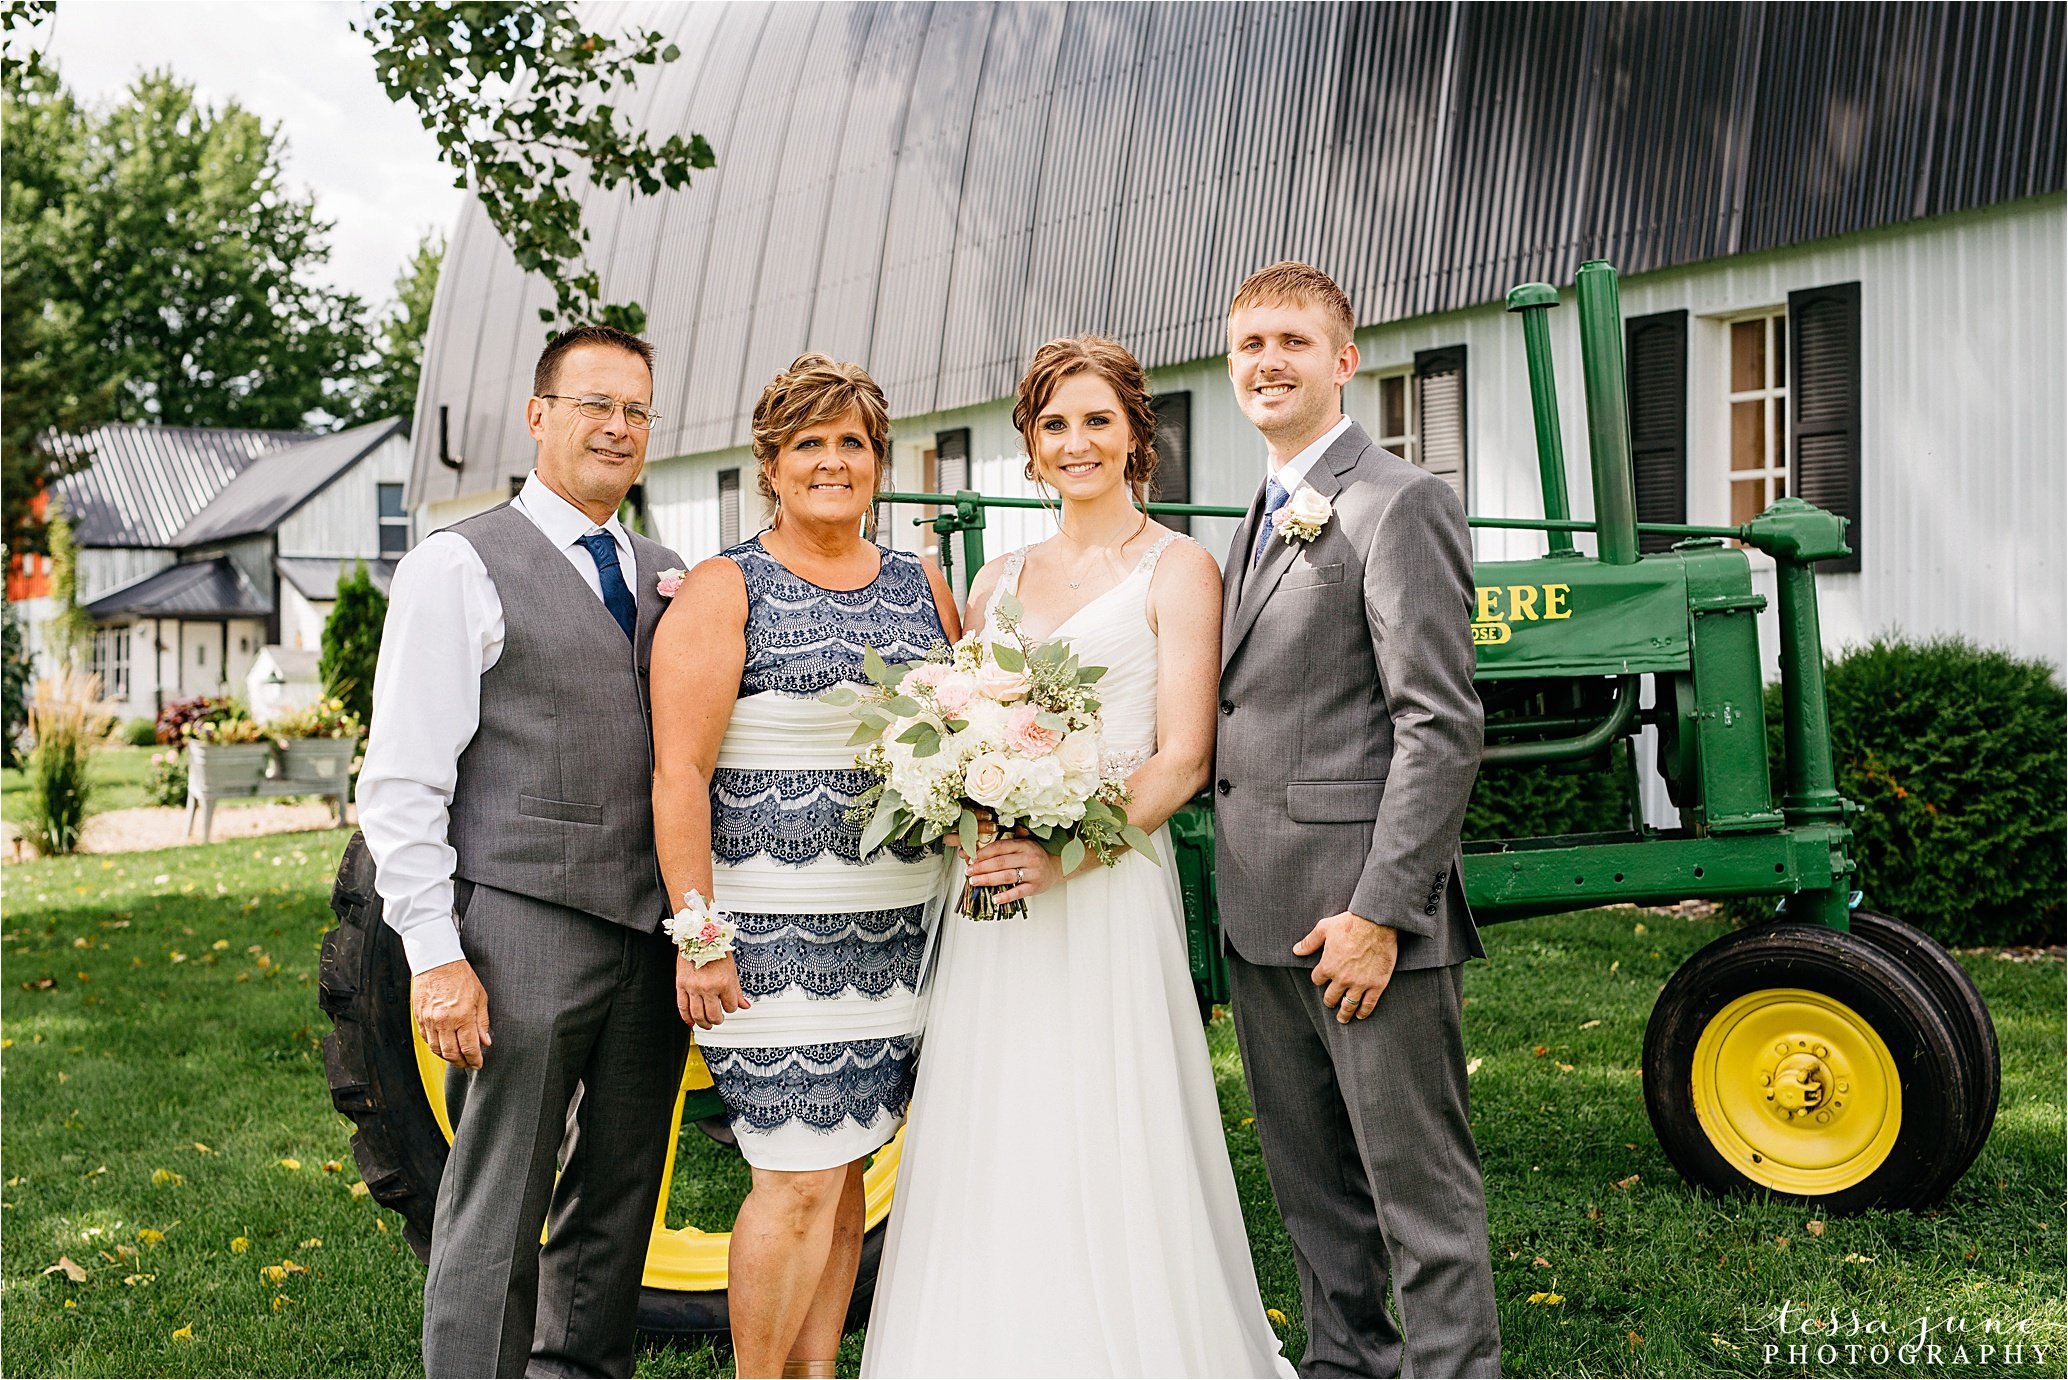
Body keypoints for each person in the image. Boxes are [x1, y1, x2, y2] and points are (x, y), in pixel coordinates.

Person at [862, 336, 1295, 1378]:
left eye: (1097, 420)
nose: (1076, 442)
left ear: (1136, 434)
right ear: (1030, 445)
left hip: (1104, 887)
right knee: (996, 1112)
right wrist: (977, 817)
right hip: (995, 896)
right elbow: (966, 725)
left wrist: (1066, 854)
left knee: (1106, 1114)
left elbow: (1183, 757)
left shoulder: (1180, 567)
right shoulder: (996, 574)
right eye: (1054, 424)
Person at [357, 325, 689, 1377]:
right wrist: (436, 956)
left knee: (617, 1202)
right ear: (539, 415)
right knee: (496, 1205)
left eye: (636, 411)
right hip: (520, 927)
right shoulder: (458, 564)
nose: (617, 428)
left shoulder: (671, 571)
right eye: (595, 404)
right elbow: (402, 781)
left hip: (651, 933)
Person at [1214, 260, 1500, 1377]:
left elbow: (1438, 726)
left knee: (1416, 1200)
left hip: (1362, 925)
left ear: (1344, 361)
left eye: (1293, 342)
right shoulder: (1256, 511)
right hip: (1261, 921)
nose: (1268, 362)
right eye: (1249, 345)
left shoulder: (1399, 501)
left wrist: (1381, 915)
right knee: (1315, 1203)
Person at [650, 354, 960, 1379]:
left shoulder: (925, 588)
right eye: (809, 444)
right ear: (771, 467)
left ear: (880, 462)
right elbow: (679, 775)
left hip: (897, 942)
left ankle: (815, 1371)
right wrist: (700, 939)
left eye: (852, 444)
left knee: (842, 1176)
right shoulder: (725, 586)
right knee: (790, 1181)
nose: (833, 462)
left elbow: (962, 745)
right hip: (769, 950)